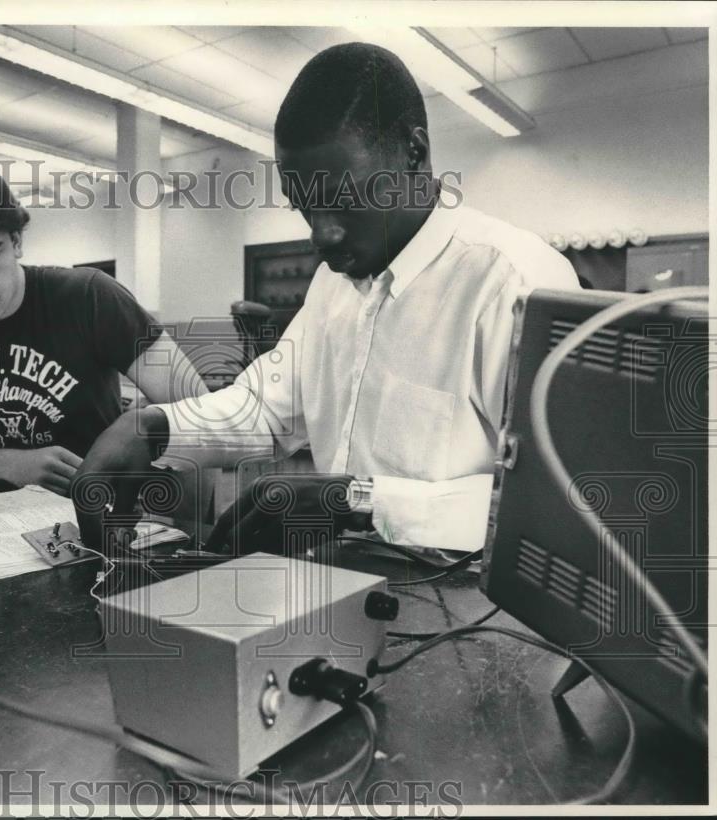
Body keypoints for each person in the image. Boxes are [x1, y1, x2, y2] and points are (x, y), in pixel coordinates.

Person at [73, 42, 580, 555]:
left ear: (415, 154)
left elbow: (555, 503)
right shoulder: (334, 284)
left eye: (343, 201)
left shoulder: (512, 282)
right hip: (345, 581)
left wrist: (355, 499)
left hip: (470, 600)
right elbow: (268, 408)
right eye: (303, 208)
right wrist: (157, 427)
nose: (321, 235)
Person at [0, 155, 206, 495]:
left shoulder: (90, 296)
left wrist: (184, 519)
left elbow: (201, 412)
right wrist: (9, 464)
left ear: (17, 241)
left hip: (100, 508)